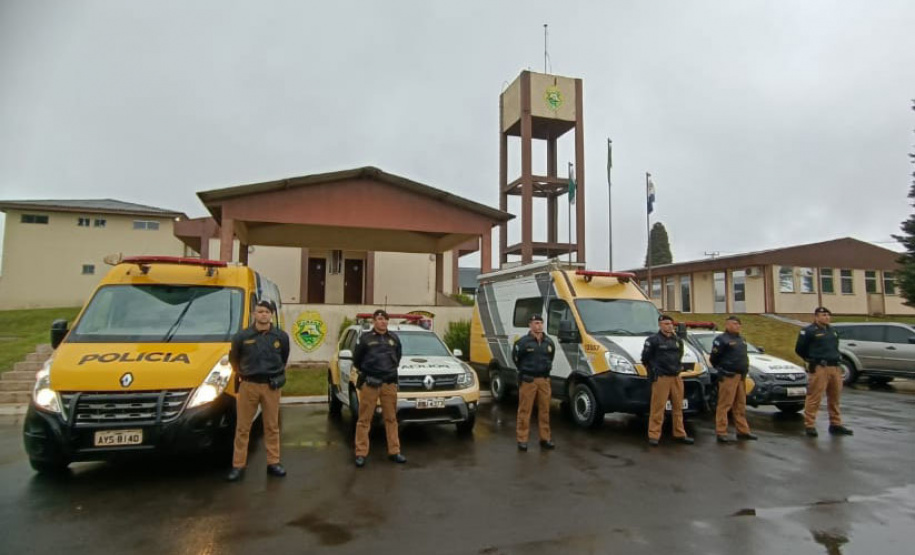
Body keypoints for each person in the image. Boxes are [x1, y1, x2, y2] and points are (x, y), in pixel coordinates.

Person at [226, 300, 290, 482]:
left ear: (271, 315)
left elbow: (284, 358)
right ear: (254, 314)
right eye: (260, 311)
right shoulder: (242, 336)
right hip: (249, 385)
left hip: (271, 386)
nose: (263, 315)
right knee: (243, 427)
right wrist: (244, 372)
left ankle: (273, 463)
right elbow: (234, 360)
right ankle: (238, 465)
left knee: (271, 426)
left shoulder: (280, 337)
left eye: (267, 312)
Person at [352, 309, 405, 467]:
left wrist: (388, 371)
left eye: (385, 319)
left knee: (391, 419)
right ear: (374, 321)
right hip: (370, 383)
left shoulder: (394, 338)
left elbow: (398, 357)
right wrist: (370, 372)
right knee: (364, 420)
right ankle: (361, 453)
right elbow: (357, 360)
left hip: (389, 383)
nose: (383, 322)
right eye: (380, 319)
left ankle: (394, 451)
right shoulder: (366, 339)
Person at [795, 306, 853, 437]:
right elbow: (800, 349)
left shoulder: (832, 330)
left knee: (835, 397)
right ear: (816, 317)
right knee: (814, 397)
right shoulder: (809, 331)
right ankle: (810, 425)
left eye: (828, 315)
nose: (826, 317)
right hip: (820, 367)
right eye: (823, 315)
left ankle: (835, 424)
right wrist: (811, 360)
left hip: (835, 367)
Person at [641, 314, 694, 447]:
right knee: (658, 408)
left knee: (678, 407)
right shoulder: (653, 340)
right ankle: (654, 435)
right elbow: (645, 358)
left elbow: (680, 354)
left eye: (671, 324)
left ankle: (679, 433)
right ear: (660, 325)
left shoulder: (677, 340)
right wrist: (653, 372)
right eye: (666, 324)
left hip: (676, 377)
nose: (669, 326)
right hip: (661, 377)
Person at [512, 314, 556, 452]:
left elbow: (551, 357)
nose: (539, 326)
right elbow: (516, 359)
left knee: (545, 411)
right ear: (530, 325)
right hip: (528, 381)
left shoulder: (549, 342)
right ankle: (522, 440)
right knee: (525, 411)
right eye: (536, 323)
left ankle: (545, 438)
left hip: (544, 381)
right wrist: (525, 371)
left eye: (540, 323)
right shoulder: (522, 343)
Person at [710, 316, 758, 443]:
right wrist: (722, 370)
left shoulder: (741, 339)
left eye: (738, 324)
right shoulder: (721, 339)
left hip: (741, 376)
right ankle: (721, 432)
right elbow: (714, 358)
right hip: (728, 376)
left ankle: (743, 431)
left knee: (740, 405)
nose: (737, 326)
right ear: (727, 325)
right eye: (734, 324)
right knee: (725, 404)